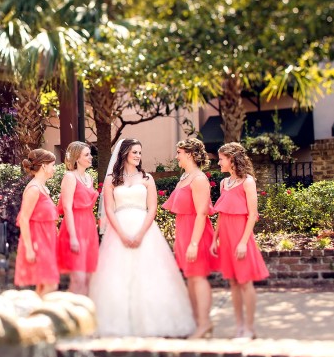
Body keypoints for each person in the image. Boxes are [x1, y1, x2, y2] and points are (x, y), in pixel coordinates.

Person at [89, 139, 195, 337]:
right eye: (134, 152)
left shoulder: (147, 178)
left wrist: (139, 233)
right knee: (116, 276)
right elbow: (109, 210)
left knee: (149, 274)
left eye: (140, 152)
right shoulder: (112, 179)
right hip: (118, 229)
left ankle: (153, 323)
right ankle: (118, 324)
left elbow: (152, 208)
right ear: (125, 153)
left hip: (144, 229)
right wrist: (120, 233)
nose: (138, 155)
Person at [210, 142, 269, 339]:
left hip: (241, 238)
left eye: (221, 159)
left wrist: (244, 242)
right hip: (225, 238)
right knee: (233, 283)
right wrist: (214, 239)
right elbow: (221, 214)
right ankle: (239, 327)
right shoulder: (223, 183)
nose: (218, 163)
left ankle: (250, 329)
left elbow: (252, 215)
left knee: (245, 282)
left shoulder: (248, 182)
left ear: (232, 159)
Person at [162, 138, 220, 339]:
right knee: (191, 278)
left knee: (198, 277)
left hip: (196, 232)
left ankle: (204, 323)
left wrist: (194, 243)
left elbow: (202, 213)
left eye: (179, 152)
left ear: (189, 154)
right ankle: (197, 322)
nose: (176, 156)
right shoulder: (184, 177)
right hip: (184, 231)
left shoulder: (198, 179)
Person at [14, 149, 60, 296]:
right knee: (50, 284)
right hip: (37, 242)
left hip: (47, 241)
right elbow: (24, 219)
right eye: (53, 165)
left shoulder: (43, 188)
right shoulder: (34, 189)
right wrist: (29, 249)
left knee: (44, 284)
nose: (55, 168)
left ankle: (37, 314)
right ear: (44, 166)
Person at [57, 141, 99, 295]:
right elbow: (67, 207)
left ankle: (84, 315)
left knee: (88, 278)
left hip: (89, 227)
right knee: (78, 279)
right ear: (76, 158)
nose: (90, 157)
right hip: (74, 227)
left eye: (90, 154)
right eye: (86, 155)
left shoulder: (89, 178)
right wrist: (73, 237)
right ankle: (69, 314)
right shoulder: (70, 177)